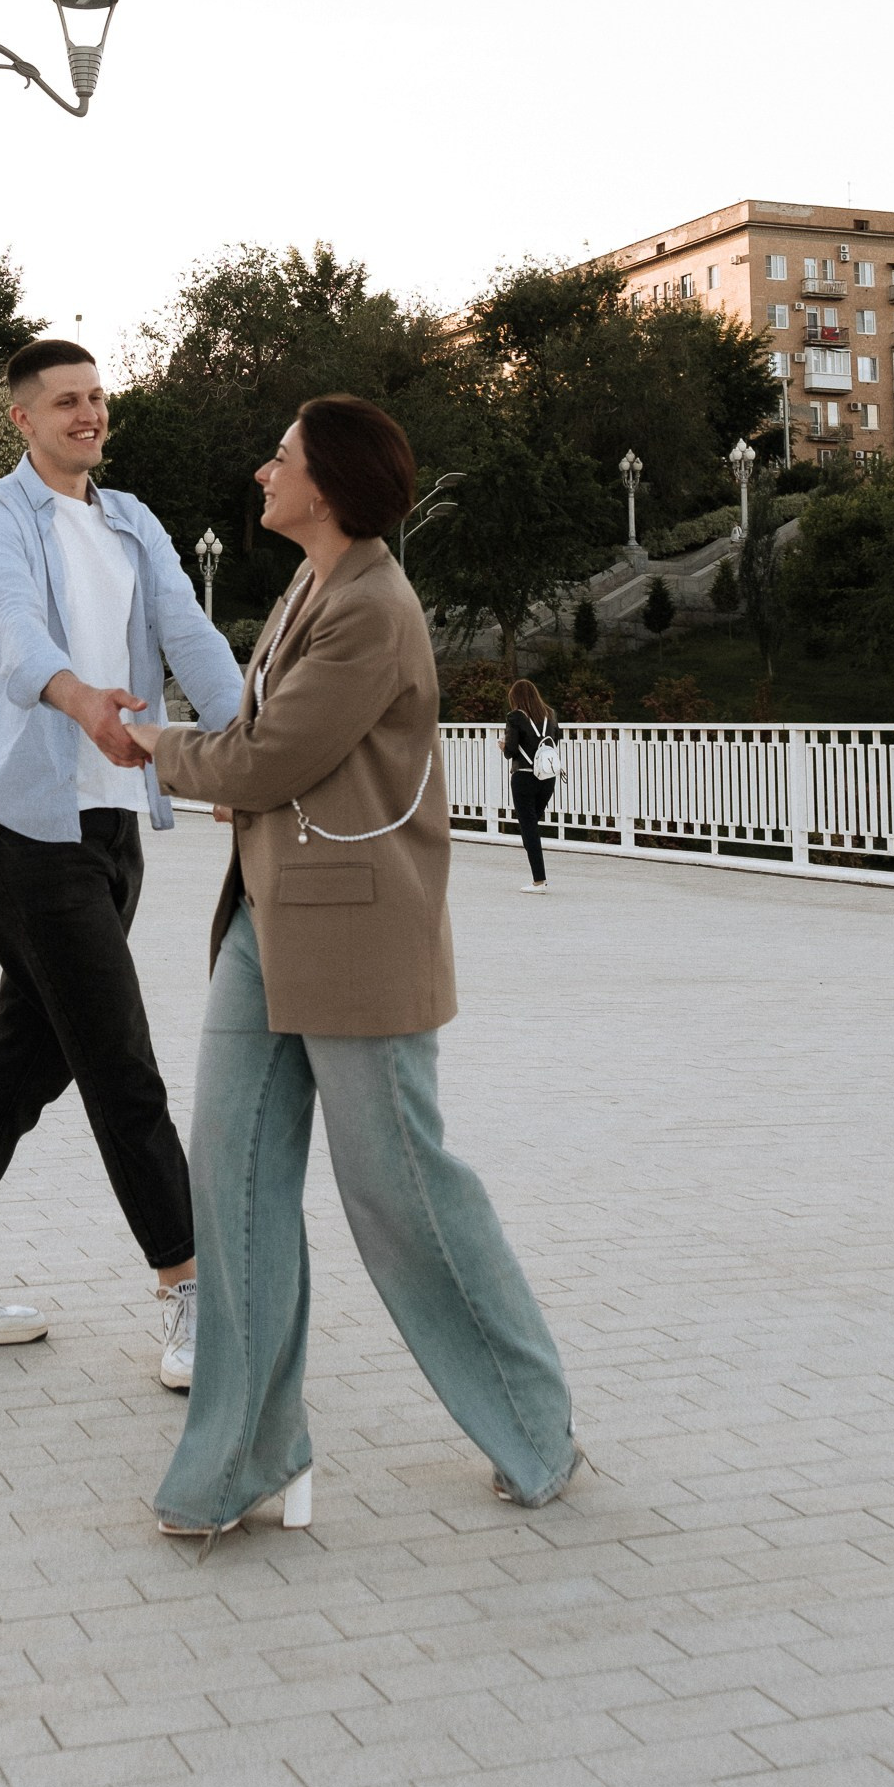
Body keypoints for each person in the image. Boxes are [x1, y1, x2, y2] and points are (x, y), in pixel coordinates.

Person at [130, 395, 577, 1539]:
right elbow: (272, 747)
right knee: (229, 1181)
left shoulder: (374, 604)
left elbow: (269, 754)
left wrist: (155, 746)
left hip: (358, 935)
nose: (261, 469)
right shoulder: (309, 584)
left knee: (399, 1194)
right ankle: (246, 1457)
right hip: (265, 919)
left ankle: (534, 1426)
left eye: (279, 455)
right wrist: (227, 769)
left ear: (323, 484)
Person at [0, 338, 246, 1386]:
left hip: (113, 821)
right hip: (20, 826)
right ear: (22, 419)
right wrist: (81, 699)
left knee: (27, 1054)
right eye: (66, 401)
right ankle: (189, 1290)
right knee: (117, 1060)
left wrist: (245, 749)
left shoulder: (130, 520)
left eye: (97, 398)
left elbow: (189, 633)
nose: (88, 415)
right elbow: (4, 626)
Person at [501, 678, 558, 887]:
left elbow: (511, 750)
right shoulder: (550, 714)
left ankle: (539, 881)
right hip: (547, 778)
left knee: (529, 828)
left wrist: (503, 746)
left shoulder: (515, 717)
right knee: (531, 826)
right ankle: (538, 878)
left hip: (524, 777)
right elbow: (554, 741)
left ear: (515, 698)